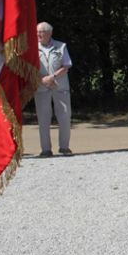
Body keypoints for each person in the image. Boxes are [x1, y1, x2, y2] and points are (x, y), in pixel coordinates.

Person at [35, 22, 73, 157]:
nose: (38, 34)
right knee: (43, 119)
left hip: (60, 87)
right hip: (41, 87)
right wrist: (42, 79)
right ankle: (45, 149)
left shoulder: (61, 46)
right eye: (37, 32)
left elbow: (67, 65)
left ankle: (64, 147)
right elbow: (29, 68)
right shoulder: (32, 47)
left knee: (64, 117)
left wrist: (52, 76)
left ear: (49, 33)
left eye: (41, 32)